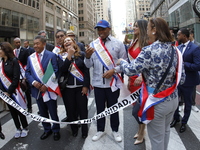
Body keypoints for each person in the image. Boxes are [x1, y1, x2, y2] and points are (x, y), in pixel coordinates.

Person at [117, 17, 185, 150]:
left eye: (148, 28)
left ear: (154, 30)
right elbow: (182, 79)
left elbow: (132, 70)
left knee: (156, 138)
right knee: (165, 132)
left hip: (156, 101)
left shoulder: (149, 50)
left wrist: (122, 62)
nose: (146, 31)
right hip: (173, 99)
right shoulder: (176, 50)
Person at [84, 20, 127, 142]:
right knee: (100, 108)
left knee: (113, 108)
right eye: (99, 29)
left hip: (113, 84)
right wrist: (87, 57)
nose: (101, 32)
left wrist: (114, 71)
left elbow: (125, 63)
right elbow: (88, 65)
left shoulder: (118, 44)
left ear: (109, 29)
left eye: (103, 29)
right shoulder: (93, 44)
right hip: (98, 84)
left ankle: (115, 130)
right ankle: (100, 130)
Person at [25, 35, 60, 141]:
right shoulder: (31, 58)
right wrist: (34, 82)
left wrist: (47, 85)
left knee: (53, 112)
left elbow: (55, 71)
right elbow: (27, 72)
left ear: (44, 44)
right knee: (43, 112)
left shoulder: (52, 55)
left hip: (48, 89)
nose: (35, 46)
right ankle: (47, 129)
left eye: (37, 43)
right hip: (37, 90)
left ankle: (56, 130)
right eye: (34, 44)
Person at [58, 36, 90, 138]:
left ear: (73, 43)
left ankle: (85, 131)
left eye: (69, 40)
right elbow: (62, 70)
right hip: (67, 89)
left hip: (80, 88)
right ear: (63, 45)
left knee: (83, 111)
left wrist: (85, 86)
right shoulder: (59, 56)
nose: (67, 42)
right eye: (65, 41)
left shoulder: (81, 55)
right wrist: (69, 56)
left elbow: (86, 72)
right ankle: (74, 129)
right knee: (71, 111)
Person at [170, 28, 200, 133]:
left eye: (179, 35)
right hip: (177, 81)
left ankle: (184, 122)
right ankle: (176, 118)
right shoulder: (178, 47)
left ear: (185, 36)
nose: (177, 36)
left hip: (189, 81)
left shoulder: (195, 48)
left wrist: (183, 64)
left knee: (187, 103)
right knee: (175, 101)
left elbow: (197, 66)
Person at [0, 42, 29, 139]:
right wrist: (3, 92)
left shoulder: (14, 61)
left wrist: (9, 91)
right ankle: (18, 128)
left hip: (15, 91)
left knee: (20, 110)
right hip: (6, 92)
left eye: (0, 49)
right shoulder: (1, 63)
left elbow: (16, 78)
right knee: (12, 111)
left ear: (5, 50)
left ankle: (25, 127)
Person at [127, 19, 148, 145]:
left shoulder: (147, 43)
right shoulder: (133, 41)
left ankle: (142, 132)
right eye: (134, 26)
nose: (134, 28)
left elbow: (147, 63)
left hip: (141, 80)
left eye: (136, 26)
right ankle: (140, 129)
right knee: (136, 106)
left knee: (140, 109)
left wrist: (142, 76)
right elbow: (130, 61)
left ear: (143, 28)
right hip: (132, 79)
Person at [13, 37, 32, 113]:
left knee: (26, 90)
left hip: (24, 72)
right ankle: (21, 105)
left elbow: (28, 61)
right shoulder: (13, 51)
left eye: (19, 42)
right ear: (14, 43)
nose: (18, 44)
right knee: (19, 91)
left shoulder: (25, 50)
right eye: (16, 42)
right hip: (17, 73)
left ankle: (29, 106)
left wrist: (26, 73)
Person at [189, 29, 200, 113]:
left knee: (193, 88)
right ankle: (181, 104)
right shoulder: (183, 45)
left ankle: (193, 104)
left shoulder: (197, 45)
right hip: (186, 70)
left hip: (194, 70)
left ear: (192, 35)